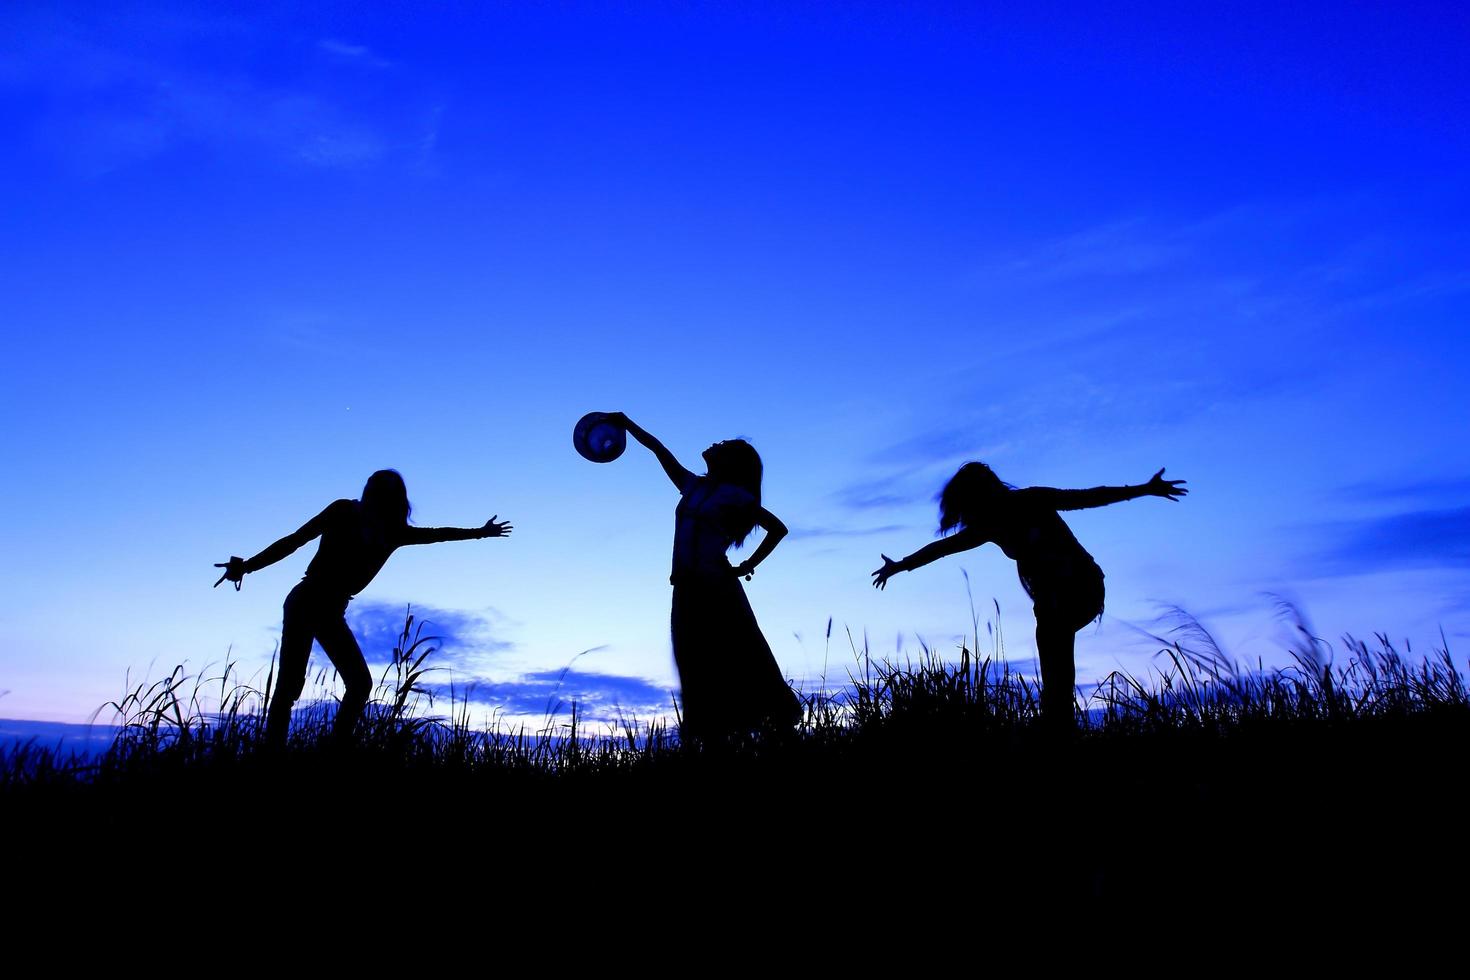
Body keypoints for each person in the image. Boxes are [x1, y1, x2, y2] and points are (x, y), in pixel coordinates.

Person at [872, 464, 1187, 730]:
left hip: (1082, 586)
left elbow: (1090, 497)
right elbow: (942, 549)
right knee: (1054, 660)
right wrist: (900, 566)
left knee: (1054, 646)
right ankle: (1058, 729)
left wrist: (1145, 489)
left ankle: (1058, 727)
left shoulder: (1032, 499)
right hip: (1049, 602)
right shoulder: (988, 525)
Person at [214, 469, 511, 748]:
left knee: (356, 684)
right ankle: (276, 753)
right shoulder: (343, 511)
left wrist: (480, 532)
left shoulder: (394, 532)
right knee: (295, 686)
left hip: (330, 608)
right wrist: (248, 566)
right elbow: (295, 540)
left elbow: (438, 534)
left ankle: (333, 750)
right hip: (307, 600)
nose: (368, 493)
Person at [602, 413, 800, 741]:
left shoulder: (736, 497)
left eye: (721, 445)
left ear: (730, 460)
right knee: (694, 663)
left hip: (717, 588)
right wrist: (627, 422)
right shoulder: (692, 486)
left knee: (736, 657)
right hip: (685, 588)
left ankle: (771, 729)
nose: (713, 444)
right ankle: (712, 737)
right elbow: (657, 449)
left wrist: (748, 564)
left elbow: (778, 529)